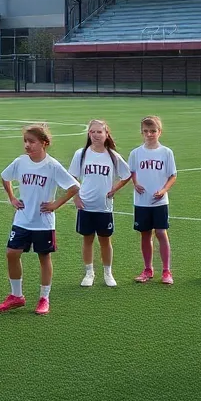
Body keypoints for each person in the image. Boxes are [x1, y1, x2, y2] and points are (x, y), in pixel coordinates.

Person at [0, 124, 79, 315]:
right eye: (25, 141)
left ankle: (44, 298)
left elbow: (74, 187)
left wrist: (56, 204)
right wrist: (12, 198)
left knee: (44, 257)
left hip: (43, 221)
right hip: (22, 219)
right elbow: (5, 177)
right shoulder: (20, 162)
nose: (27, 145)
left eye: (31, 142)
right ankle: (16, 296)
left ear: (44, 143)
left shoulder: (52, 165)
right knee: (11, 253)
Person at [69, 119, 131, 287]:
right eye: (92, 132)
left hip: (104, 207)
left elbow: (127, 175)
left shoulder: (112, 155)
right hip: (86, 206)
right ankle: (89, 273)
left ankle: (108, 273)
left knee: (105, 241)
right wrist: (76, 197)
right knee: (87, 240)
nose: (96, 135)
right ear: (89, 134)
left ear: (106, 134)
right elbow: (72, 178)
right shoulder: (81, 154)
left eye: (99, 132)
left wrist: (114, 189)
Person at [128, 116, 178, 285]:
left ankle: (166, 271)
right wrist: (135, 183)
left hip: (159, 202)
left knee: (161, 233)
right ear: (141, 132)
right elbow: (132, 172)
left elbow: (173, 175)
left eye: (153, 131)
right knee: (145, 234)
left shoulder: (166, 152)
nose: (149, 134)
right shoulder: (135, 153)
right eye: (146, 131)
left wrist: (163, 190)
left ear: (159, 132)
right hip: (141, 201)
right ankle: (148, 269)